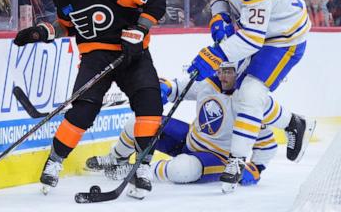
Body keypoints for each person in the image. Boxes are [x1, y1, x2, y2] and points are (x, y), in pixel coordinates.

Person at [13, 0, 166, 200]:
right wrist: (42, 32)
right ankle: (54, 160)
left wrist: (140, 29)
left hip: (131, 52)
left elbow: (156, 0)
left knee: (149, 102)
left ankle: (143, 166)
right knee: (82, 109)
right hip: (95, 55)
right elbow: (68, 26)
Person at [186, 0, 316, 193]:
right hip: (258, 33)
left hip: (283, 40)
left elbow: (252, 40)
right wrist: (219, 20)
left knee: (250, 92)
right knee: (241, 93)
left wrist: (215, 54)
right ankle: (293, 123)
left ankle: (237, 160)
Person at [85, 61, 311, 188]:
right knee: (140, 122)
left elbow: (268, 144)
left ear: (241, 72)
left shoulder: (249, 100)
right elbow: (175, 88)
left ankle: (137, 171)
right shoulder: (208, 83)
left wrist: (257, 168)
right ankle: (116, 158)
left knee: (182, 169)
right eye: (221, 70)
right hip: (188, 140)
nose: (223, 76)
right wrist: (162, 89)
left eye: (229, 72)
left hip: (216, 158)